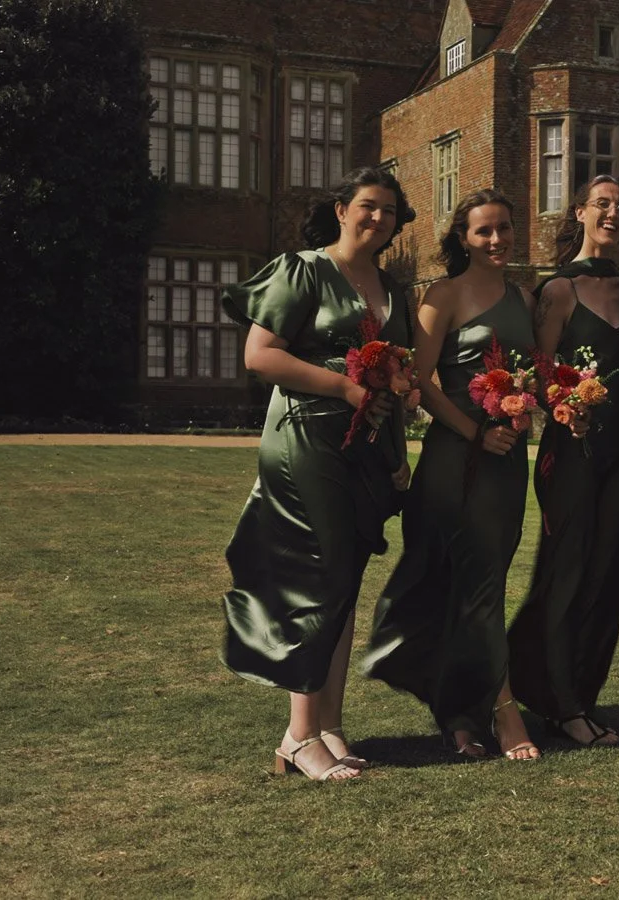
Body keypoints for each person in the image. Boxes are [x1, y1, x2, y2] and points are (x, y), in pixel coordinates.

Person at [219, 167, 415, 781]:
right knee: (318, 577)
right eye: (367, 206)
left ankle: (328, 726)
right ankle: (299, 736)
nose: (377, 218)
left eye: (388, 211)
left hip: (368, 447)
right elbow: (260, 354)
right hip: (305, 436)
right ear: (341, 209)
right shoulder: (303, 270)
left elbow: (399, 369)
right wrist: (345, 388)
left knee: (346, 580)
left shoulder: (391, 286)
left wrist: (398, 439)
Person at [360, 189, 542, 761]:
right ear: (462, 238)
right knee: (469, 587)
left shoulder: (524, 297)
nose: (497, 240)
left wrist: (525, 409)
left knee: (482, 584)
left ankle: (458, 712)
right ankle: (504, 714)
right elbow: (420, 380)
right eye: (484, 230)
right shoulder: (444, 294)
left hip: (507, 460)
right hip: (454, 459)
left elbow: (530, 373)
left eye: (505, 228)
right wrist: (475, 432)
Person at [507, 175, 619, 747]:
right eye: (603, 204)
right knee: (565, 571)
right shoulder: (558, 290)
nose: (613, 212)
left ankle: (579, 696)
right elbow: (538, 370)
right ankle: (553, 700)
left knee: (609, 573)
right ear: (582, 213)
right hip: (573, 448)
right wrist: (563, 407)